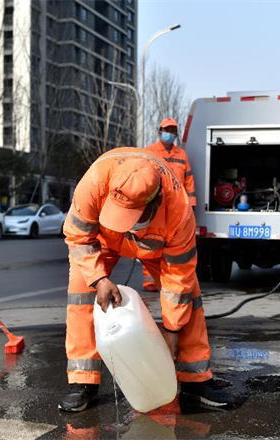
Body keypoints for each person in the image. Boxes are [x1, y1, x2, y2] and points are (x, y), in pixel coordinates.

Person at [59, 147, 231, 412]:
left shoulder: (178, 213)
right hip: (104, 240)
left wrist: (172, 330)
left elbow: (178, 278)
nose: (126, 224)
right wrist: (99, 279)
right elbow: (78, 236)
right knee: (81, 291)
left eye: (133, 218)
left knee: (188, 297)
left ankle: (195, 381)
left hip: (155, 244)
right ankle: (83, 382)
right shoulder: (94, 183)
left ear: (155, 200)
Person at [141, 117, 196, 291]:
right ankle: (151, 281)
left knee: (174, 245)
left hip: (177, 209)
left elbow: (188, 181)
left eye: (172, 130)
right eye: (167, 130)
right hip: (156, 206)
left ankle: (170, 280)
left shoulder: (181, 155)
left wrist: (191, 204)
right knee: (152, 243)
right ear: (159, 132)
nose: (169, 133)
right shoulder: (149, 152)